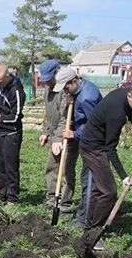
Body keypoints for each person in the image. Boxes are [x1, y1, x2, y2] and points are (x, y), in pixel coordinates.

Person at [79, 81, 132, 249]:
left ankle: (89, 227)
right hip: (94, 148)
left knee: (99, 190)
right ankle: (94, 232)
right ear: (130, 95)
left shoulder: (125, 95)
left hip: (94, 144)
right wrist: (124, 176)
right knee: (109, 192)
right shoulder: (117, 113)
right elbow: (110, 149)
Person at [52, 67, 103, 225]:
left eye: (66, 87)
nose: (65, 91)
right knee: (84, 177)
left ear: (74, 81)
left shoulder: (86, 97)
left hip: (94, 142)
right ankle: (82, 214)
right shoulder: (80, 91)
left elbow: (93, 125)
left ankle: (84, 220)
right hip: (85, 138)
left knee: (88, 180)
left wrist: (74, 134)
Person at [0, 64, 26, 206]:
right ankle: (2, 195)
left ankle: (12, 198)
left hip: (12, 133)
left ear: (8, 76)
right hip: (0, 132)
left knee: (10, 166)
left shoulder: (17, 91)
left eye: (0, 82)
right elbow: (0, 106)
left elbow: (15, 116)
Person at [37, 59, 67, 210]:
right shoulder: (48, 90)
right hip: (54, 136)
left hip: (66, 137)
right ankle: (51, 200)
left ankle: (64, 204)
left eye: (49, 79)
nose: (47, 83)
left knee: (66, 171)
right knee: (51, 167)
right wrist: (46, 132)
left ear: (57, 73)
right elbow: (49, 115)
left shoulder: (64, 90)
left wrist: (59, 139)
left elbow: (65, 118)